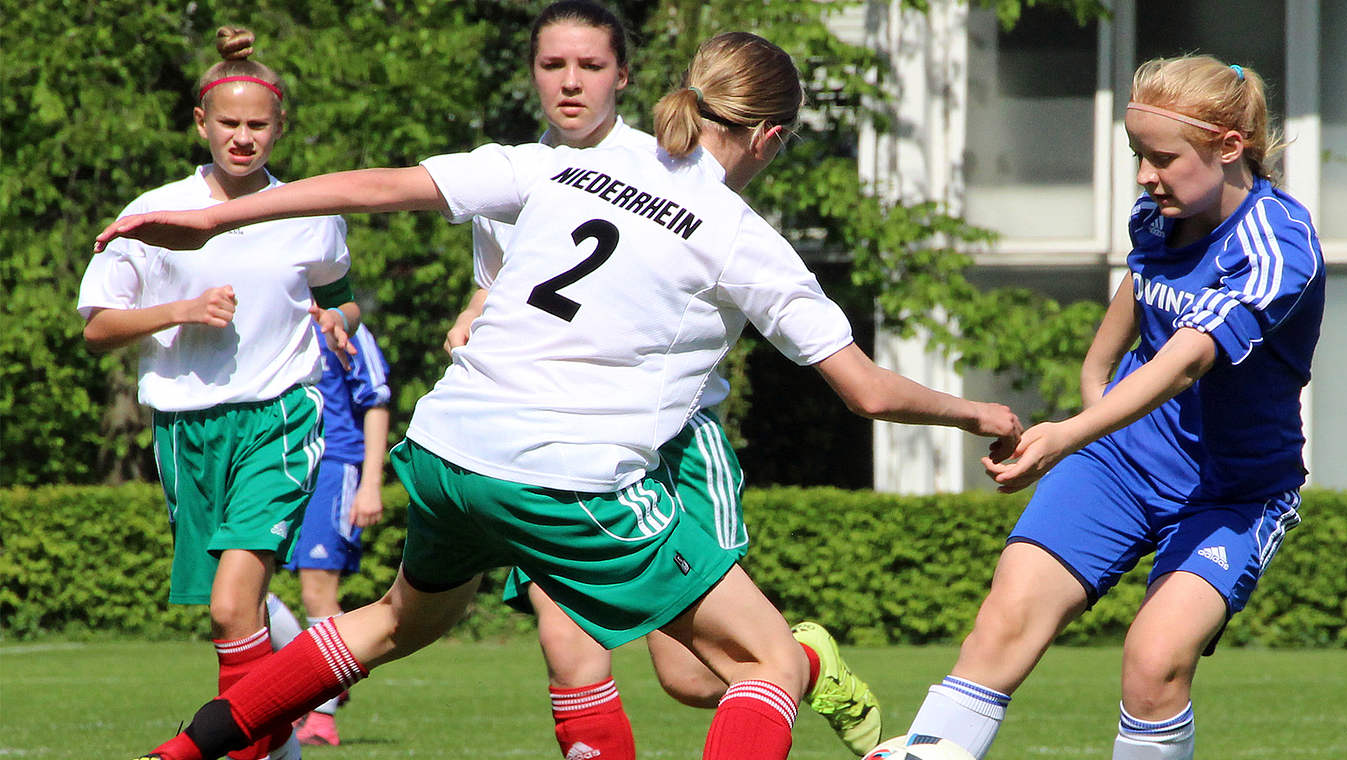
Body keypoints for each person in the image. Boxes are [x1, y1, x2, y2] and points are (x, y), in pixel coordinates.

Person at [98, 31, 1021, 760]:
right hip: (562, 476)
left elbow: (386, 188)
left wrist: (217, 214)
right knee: (770, 662)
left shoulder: (565, 161)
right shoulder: (743, 238)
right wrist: (978, 411)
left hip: (449, 452)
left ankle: (182, 750)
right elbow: (863, 391)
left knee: (388, 623)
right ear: (772, 139)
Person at [442, 3, 881, 757]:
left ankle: (803, 658)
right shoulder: (513, 170)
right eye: (554, 66)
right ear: (531, 75)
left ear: (625, 77)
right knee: (565, 642)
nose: (571, 83)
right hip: (555, 445)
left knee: (690, 676)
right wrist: (477, 312)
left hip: (668, 444)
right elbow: (516, 288)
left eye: (590, 66)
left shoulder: (659, 164)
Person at [902, 55, 1324, 759]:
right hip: (1121, 466)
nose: (1142, 176)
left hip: (1234, 494)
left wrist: (1068, 432)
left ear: (1227, 147)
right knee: (1005, 624)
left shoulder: (1278, 243)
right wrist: (1094, 387)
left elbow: (1186, 359)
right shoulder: (1160, 216)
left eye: (1162, 157)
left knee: (1153, 664)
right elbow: (1139, 292)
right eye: (1137, 155)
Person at [77, 26, 361, 760]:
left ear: (280, 128)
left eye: (257, 125)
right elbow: (99, 328)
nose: (243, 137)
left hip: (280, 417)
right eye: (228, 123)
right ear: (201, 123)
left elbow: (345, 298)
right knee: (228, 618)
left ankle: (251, 750)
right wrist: (180, 310)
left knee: (235, 603)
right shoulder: (155, 213)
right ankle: (277, 742)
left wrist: (340, 319)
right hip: (185, 430)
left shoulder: (309, 209)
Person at [266, 320, 390, 746]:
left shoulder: (346, 327)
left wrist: (371, 482)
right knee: (246, 583)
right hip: (286, 465)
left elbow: (376, 400)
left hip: (335, 467)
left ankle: (321, 718)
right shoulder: (282, 317)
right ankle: (332, 672)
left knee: (317, 592)